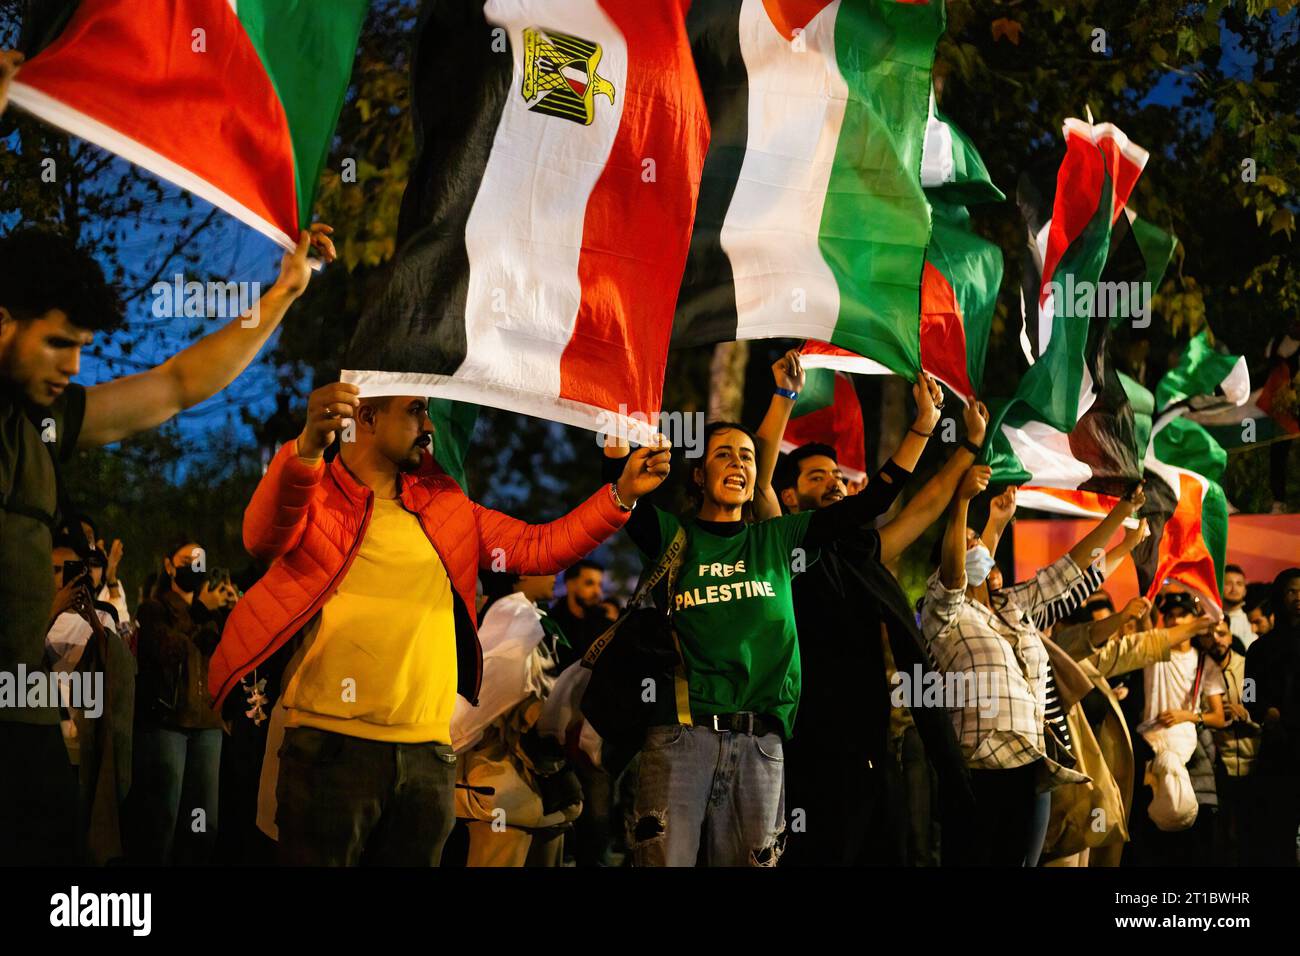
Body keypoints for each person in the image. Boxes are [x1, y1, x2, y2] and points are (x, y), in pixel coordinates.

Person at [207, 383, 666, 866]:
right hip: (329, 752)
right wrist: (304, 450)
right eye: (415, 411)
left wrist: (621, 494)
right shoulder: (316, 491)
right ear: (366, 419)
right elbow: (261, 538)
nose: (428, 426)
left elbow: (537, 547)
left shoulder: (446, 505)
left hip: (428, 758)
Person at [1, 223, 334, 865]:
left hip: (25, 724)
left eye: (83, 348)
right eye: (57, 344)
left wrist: (283, 293)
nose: (73, 367)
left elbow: (178, 384)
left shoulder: (46, 424)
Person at [602, 368, 975, 867]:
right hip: (681, 740)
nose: (737, 463)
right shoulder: (675, 536)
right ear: (698, 475)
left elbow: (875, 500)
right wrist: (614, 450)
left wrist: (924, 426)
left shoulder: (779, 540)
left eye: (748, 457)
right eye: (722, 454)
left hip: (762, 747)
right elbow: (622, 496)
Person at [760, 357, 978, 867]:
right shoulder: (782, 546)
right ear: (792, 497)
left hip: (874, 747)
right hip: (810, 746)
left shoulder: (861, 553)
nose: (835, 482)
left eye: (837, 475)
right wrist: (784, 397)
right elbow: (762, 483)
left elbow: (924, 507)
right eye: (818, 477)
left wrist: (968, 447)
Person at [922, 478, 1148, 866]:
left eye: (978, 541)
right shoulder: (942, 614)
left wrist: (1121, 513)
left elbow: (1072, 571)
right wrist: (961, 501)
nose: (974, 546)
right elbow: (954, 578)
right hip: (981, 770)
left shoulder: (1014, 607)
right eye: (965, 541)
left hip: (1035, 769)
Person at [454, 571, 582, 867]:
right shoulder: (510, 618)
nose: (555, 574)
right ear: (520, 574)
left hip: (543, 796)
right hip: (505, 789)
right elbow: (508, 701)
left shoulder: (532, 618)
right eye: (544, 565)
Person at [128, 539, 237, 865]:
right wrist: (200, 612)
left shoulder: (213, 613)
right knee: (164, 818)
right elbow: (169, 650)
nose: (194, 567)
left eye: (200, 561)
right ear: (169, 565)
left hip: (208, 725)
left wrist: (232, 612)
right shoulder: (154, 609)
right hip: (168, 725)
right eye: (186, 560)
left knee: (204, 822)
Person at [1129, 592, 1227, 866]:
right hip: (1149, 748)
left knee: (1188, 837)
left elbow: (1218, 717)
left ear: (1194, 620)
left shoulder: (1203, 663)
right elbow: (1145, 628)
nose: (1173, 620)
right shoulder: (1155, 652)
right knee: (1150, 836)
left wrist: (1188, 715)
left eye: (1180, 615)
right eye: (1169, 615)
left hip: (1188, 755)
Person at [1244, 567, 1300, 865]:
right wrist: (1264, 711)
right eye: (1292, 591)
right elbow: (1248, 694)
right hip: (1278, 749)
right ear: (1280, 596)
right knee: (1276, 831)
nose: (1298, 598)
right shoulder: (1259, 649)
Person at [1201, 619, 1262, 865]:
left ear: (1230, 635)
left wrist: (1244, 714)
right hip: (1218, 766)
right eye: (1211, 634)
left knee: (1250, 833)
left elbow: (1255, 707)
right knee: (1220, 836)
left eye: (1222, 633)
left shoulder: (1247, 669)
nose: (1217, 639)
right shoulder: (1199, 671)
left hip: (1251, 762)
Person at [549, 559, 608, 670]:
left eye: (600, 585)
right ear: (570, 584)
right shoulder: (549, 625)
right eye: (589, 583)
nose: (598, 592)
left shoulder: (607, 629)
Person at [1222, 565, 1254, 651]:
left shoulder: (1252, 621)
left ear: (1245, 591)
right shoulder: (1212, 618)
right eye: (1228, 583)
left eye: (1239, 584)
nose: (1234, 589)